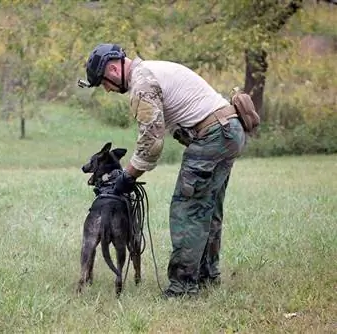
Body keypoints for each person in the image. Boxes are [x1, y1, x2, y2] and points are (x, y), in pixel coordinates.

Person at [78, 43, 247, 298]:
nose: (107, 89)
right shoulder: (151, 70)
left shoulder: (142, 83)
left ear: (113, 69)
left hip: (213, 135)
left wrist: (127, 177)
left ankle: (182, 288)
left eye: (104, 83)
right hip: (227, 131)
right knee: (207, 209)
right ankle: (207, 276)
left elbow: (151, 143)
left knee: (187, 211)